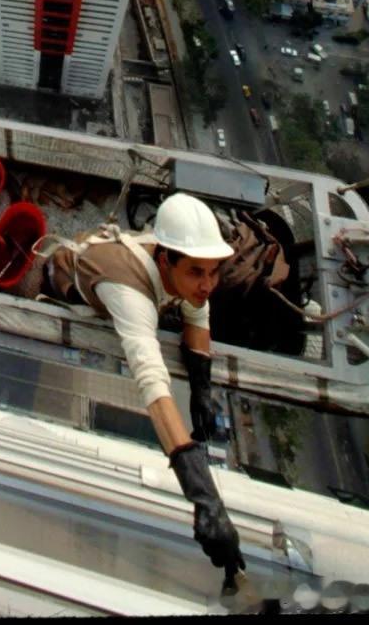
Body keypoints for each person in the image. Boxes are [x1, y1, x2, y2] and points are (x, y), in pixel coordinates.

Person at [40, 191, 243, 576]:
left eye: (214, 272)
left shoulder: (177, 264)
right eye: (197, 273)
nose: (208, 284)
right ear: (165, 261)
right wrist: (204, 497)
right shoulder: (131, 297)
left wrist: (201, 387)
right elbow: (152, 382)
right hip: (63, 276)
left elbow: (197, 312)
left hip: (111, 265)